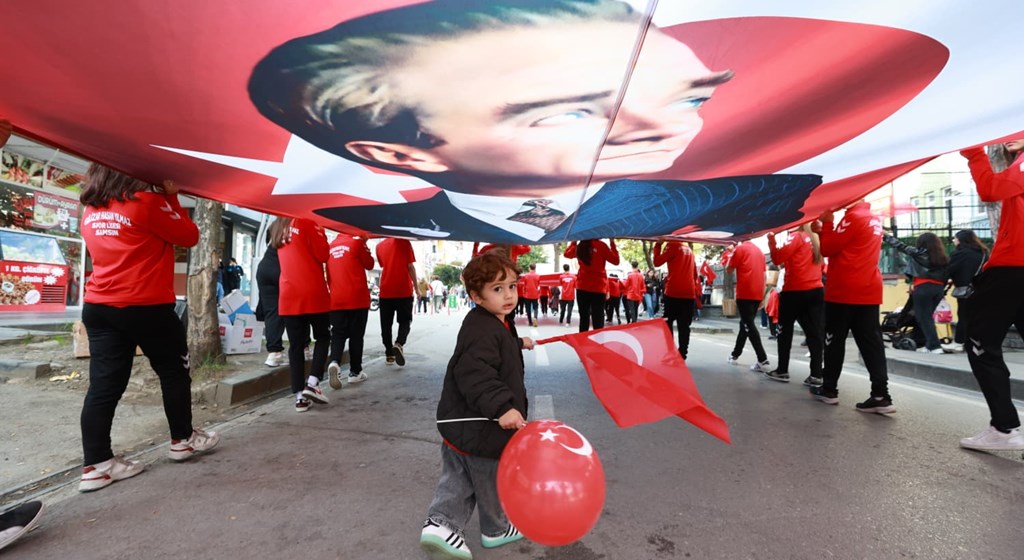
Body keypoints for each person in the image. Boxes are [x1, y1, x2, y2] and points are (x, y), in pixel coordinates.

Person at [248, 0, 822, 243]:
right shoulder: (368, 220)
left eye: (688, 100)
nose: (659, 128)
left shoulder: (757, 198)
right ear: (401, 155)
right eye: (568, 112)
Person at [78, 164, 218, 492]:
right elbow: (189, 236)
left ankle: (97, 465)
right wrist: (171, 197)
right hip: (146, 306)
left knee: (103, 388)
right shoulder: (146, 202)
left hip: (98, 307)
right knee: (174, 373)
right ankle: (182, 440)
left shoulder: (90, 210)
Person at [420, 251, 534, 558]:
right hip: (481, 424)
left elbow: (495, 349)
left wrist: (517, 343)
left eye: (512, 286)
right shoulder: (483, 328)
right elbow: (475, 372)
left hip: (463, 422)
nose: (508, 295)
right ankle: (475, 527)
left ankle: (445, 525)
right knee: (485, 479)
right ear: (476, 296)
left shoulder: (493, 322)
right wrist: (502, 408)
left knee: (460, 476)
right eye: (497, 289)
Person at [957, 141, 1024, 450]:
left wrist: (973, 152)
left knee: (980, 340)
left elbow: (990, 189)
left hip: (1013, 268)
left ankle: (1004, 427)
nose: (1006, 137)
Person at [809, 201, 894, 413]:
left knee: (834, 341)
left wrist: (827, 224)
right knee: (872, 344)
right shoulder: (873, 219)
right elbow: (847, 246)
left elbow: (828, 249)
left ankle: (829, 389)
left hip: (845, 288)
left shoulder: (853, 217)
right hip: (869, 288)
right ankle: (881, 394)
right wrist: (824, 231)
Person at [272, 216, 332, 412]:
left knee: (296, 345)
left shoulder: (277, 227)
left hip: (289, 293)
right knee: (323, 336)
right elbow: (323, 254)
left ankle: (299, 397)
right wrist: (321, 232)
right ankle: (313, 383)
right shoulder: (307, 222)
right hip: (312, 290)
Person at [764, 224, 825, 386]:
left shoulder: (796, 236)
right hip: (816, 290)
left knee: (784, 332)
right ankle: (816, 374)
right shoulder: (816, 238)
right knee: (814, 334)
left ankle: (782, 370)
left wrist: (771, 240)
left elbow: (778, 258)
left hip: (795, 290)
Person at [882, 231, 950, 353]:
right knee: (927, 317)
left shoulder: (919, 253)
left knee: (923, 317)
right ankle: (928, 344)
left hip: (923, 287)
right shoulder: (943, 258)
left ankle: (935, 346)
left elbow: (901, 246)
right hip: (938, 289)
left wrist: (886, 236)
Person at [326, 234, 375, 389]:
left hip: (336, 299)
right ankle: (355, 372)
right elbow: (370, 264)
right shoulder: (357, 242)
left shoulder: (330, 246)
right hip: (356, 298)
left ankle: (334, 362)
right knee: (356, 336)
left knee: (338, 334)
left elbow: (328, 276)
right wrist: (364, 244)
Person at [725, 240, 770, 372]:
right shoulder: (759, 251)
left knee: (748, 325)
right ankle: (735, 354)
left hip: (745, 292)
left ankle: (763, 359)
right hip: (757, 293)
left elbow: (728, 269)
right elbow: (764, 275)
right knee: (744, 325)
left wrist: (731, 254)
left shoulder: (740, 249)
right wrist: (762, 295)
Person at [943, 229, 988, 353]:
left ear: (961, 240)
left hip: (965, 290)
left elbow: (949, 270)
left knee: (963, 316)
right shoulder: (983, 253)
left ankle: (959, 343)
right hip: (981, 289)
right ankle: (978, 344)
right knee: (977, 317)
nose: (954, 241)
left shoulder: (960, 254)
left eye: (955, 238)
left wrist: (945, 283)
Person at [376, 237, 417, 366]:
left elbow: (384, 265)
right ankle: (399, 343)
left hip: (386, 290)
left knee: (386, 324)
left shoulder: (379, 246)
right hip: (403, 290)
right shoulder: (404, 241)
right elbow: (410, 266)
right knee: (405, 321)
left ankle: (389, 354)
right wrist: (417, 288)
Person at [654, 241, 698, 359]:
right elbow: (695, 274)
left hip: (674, 291)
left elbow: (657, 262)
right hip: (689, 293)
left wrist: (658, 245)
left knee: (667, 322)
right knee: (684, 326)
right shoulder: (689, 249)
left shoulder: (672, 246)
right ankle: (682, 353)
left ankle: (670, 351)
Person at [565, 239, 619, 332]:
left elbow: (567, 254)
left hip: (582, 287)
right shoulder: (602, 246)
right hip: (598, 288)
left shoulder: (581, 246)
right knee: (598, 319)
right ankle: (598, 340)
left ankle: (583, 340)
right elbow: (616, 261)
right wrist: (612, 243)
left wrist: (574, 241)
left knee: (584, 319)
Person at [256, 242, 286, 367]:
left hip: (264, 268)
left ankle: (274, 353)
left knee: (272, 312)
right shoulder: (293, 233)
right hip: (281, 267)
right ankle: (304, 348)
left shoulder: (274, 234)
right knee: (296, 308)